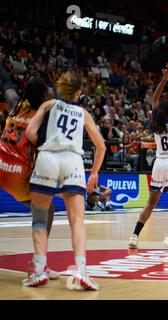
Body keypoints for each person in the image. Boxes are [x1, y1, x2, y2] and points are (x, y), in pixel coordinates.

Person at [23, 71, 106, 290]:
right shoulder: (83, 113)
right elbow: (101, 146)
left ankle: (39, 268)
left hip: (47, 158)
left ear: (59, 88)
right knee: (77, 220)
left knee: (40, 218)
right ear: (79, 92)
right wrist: (94, 173)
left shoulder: (48, 105)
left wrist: (46, 143)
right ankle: (80, 270)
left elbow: (30, 133)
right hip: (73, 162)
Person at [0, 67, 59, 279]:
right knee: (47, 209)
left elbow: (6, 81)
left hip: (1, 167)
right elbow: (63, 105)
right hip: (17, 176)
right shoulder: (43, 116)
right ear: (43, 97)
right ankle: (38, 263)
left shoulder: (17, 104)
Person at [129, 63, 168, 252]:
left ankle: (134, 236)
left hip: (158, 163)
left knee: (151, 203)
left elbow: (154, 99)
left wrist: (164, 80)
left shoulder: (156, 122)